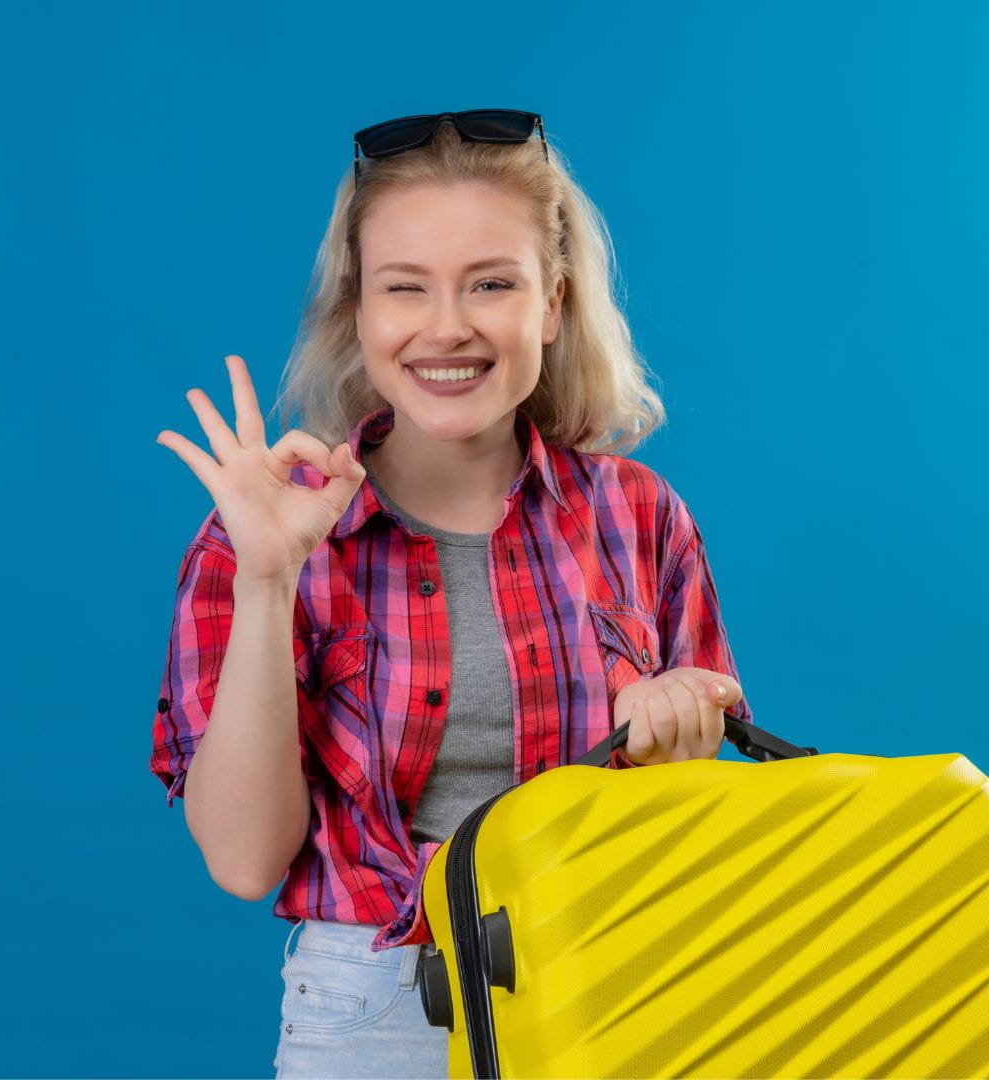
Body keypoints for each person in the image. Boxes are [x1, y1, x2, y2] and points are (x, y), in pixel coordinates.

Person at [149, 110, 754, 1079]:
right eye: (405, 288)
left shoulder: (640, 518)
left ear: (551, 306)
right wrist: (268, 582)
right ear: (358, 312)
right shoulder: (261, 535)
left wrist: (677, 745)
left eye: (492, 284)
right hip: (376, 1018)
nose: (447, 326)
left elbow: (704, 836)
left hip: (622, 991)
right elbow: (244, 861)